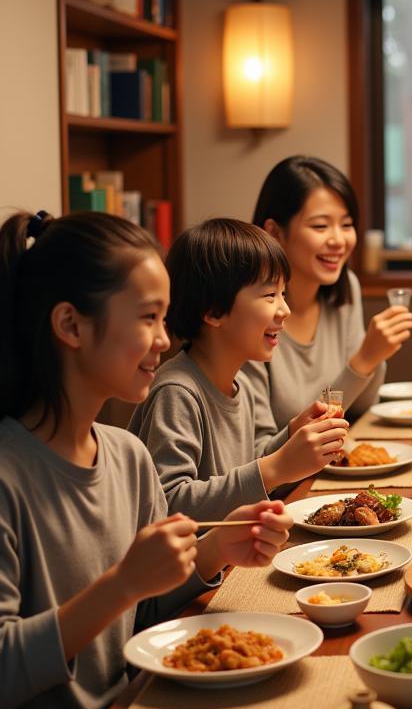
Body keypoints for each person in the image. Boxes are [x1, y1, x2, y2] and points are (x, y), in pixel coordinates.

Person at [0, 211, 292, 709]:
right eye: (148, 318)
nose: (165, 339)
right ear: (70, 325)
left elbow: (145, 617)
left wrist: (218, 551)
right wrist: (125, 583)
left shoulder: (127, 456)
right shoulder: (9, 474)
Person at [128, 219, 349, 521]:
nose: (284, 310)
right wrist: (276, 467)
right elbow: (168, 502)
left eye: (284, 294)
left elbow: (243, 472)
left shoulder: (239, 383)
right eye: (270, 295)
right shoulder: (177, 392)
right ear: (214, 311)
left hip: (234, 557)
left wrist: (291, 436)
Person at [245, 156, 412, 432]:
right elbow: (261, 446)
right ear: (274, 232)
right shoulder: (249, 309)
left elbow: (361, 407)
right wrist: (365, 359)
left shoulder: (346, 288)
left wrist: (372, 358)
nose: (338, 240)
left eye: (346, 225)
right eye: (320, 226)